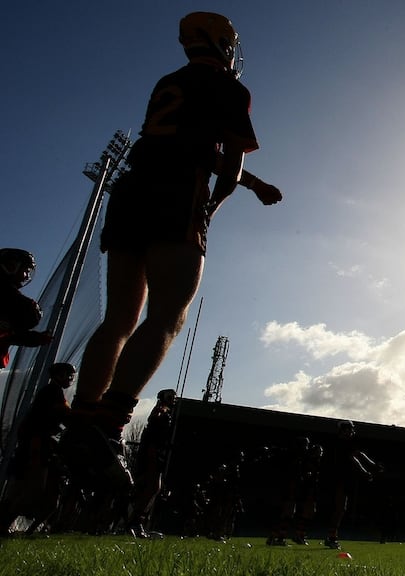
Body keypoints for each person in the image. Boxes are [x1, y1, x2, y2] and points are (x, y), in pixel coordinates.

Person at [63, 12, 282, 487]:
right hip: (175, 195)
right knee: (167, 316)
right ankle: (109, 424)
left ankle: (82, 419)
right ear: (223, 43)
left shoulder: (171, 81)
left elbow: (191, 144)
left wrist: (257, 184)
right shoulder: (229, 87)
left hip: (132, 191)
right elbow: (224, 165)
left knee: (119, 317)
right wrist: (213, 208)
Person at [0, 362, 74, 534]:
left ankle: (6, 523)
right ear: (59, 375)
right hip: (35, 446)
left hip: (35, 445)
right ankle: (4, 523)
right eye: (68, 375)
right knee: (30, 488)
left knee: (24, 488)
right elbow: (63, 415)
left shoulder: (52, 392)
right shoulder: (52, 392)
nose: (70, 379)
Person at [125, 388, 177, 538]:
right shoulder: (160, 411)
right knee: (152, 486)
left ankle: (135, 520)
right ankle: (135, 520)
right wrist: (152, 453)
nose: (173, 399)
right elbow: (153, 430)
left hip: (156, 452)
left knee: (150, 487)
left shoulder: (166, 412)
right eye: (170, 396)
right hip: (152, 453)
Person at [324, 419, 380, 549]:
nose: (351, 432)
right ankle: (331, 537)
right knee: (339, 508)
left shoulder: (346, 443)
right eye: (349, 429)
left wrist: (372, 465)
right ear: (343, 430)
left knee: (340, 508)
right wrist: (366, 471)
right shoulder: (340, 444)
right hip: (338, 478)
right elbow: (354, 458)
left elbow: (359, 454)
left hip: (343, 478)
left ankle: (331, 536)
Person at [0, 248, 52, 369]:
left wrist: (32, 338)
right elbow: (30, 313)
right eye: (26, 270)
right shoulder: (8, 296)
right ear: (11, 266)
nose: (26, 276)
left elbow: (9, 335)